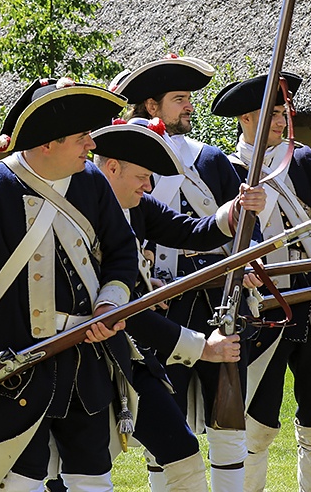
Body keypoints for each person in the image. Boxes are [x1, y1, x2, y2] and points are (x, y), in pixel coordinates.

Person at [0, 79, 138, 491]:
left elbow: (121, 252)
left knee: (93, 482)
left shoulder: (91, 183)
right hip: (16, 371)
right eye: (81, 138)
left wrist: (108, 305)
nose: (90, 146)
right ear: (47, 143)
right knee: (12, 484)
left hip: (85, 362)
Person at [211, 72, 311, 492]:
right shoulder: (225, 170)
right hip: (264, 315)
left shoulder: (303, 160)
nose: (281, 121)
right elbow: (218, 239)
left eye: (283, 113)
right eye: (272, 114)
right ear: (246, 118)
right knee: (256, 422)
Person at [91, 121, 266, 491]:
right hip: (88, 359)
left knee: (180, 451)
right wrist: (203, 347)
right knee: (69, 469)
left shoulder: (133, 207)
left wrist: (235, 211)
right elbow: (126, 312)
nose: (149, 186)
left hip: (125, 355)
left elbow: (189, 230)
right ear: (111, 169)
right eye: (142, 176)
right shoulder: (85, 214)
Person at [114, 56, 251, 491]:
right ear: (152, 106)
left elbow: (209, 231)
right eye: (179, 99)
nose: (189, 107)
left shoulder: (209, 161)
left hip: (212, 305)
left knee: (222, 422)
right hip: (153, 316)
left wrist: (236, 220)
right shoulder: (111, 180)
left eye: (190, 98)